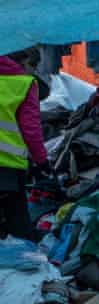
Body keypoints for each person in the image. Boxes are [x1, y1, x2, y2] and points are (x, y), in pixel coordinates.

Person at [0, 52, 50, 241]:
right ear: (25, 62)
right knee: (18, 227)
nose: (34, 72)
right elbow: (31, 130)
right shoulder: (25, 83)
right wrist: (42, 161)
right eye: (33, 66)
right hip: (9, 168)